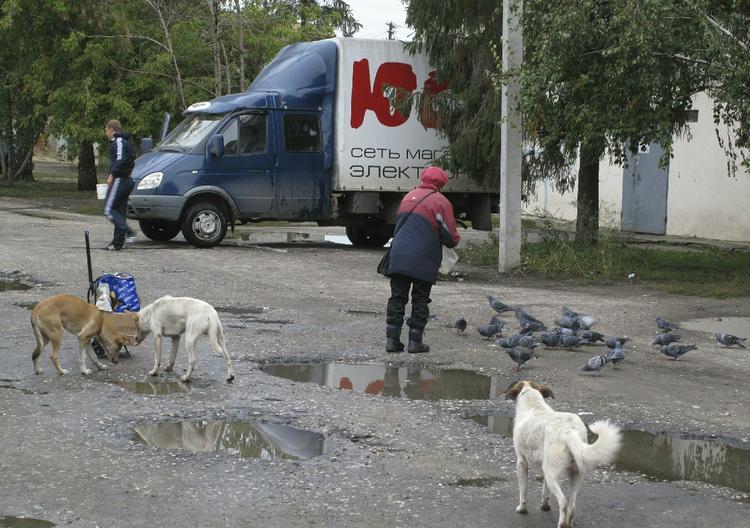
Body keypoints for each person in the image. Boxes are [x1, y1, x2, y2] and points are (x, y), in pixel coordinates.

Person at [385, 166, 460, 353]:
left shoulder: (407, 197)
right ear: (441, 183)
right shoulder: (441, 202)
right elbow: (451, 238)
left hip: (399, 254)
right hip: (423, 258)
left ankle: (392, 341)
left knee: (397, 298)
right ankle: (415, 342)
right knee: (420, 300)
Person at [103, 119, 136, 251]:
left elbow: (120, 159)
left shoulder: (119, 141)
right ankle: (117, 243)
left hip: (119, 180)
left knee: (108, 210)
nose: (106, 133)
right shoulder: (125, 142)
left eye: (106, 130)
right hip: (126, 180)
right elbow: (130, 159)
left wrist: (112, 174)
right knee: (119, 212)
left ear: (111, 129)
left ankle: (128, 232)